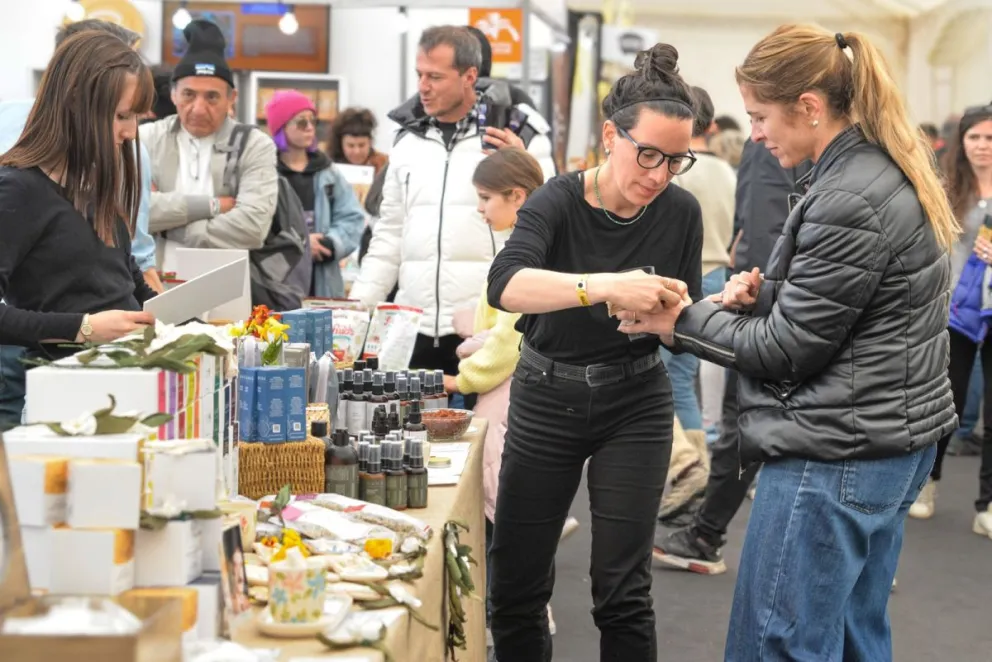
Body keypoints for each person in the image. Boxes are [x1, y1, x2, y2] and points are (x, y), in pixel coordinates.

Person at [617, 26, 959, 659]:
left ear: (809, 106)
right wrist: (769, 295)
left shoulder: (848, 193)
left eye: (760, 116)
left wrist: (680, 321)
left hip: (836, 450)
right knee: (854, 636)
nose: (755, 133)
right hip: (878, 437)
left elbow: (789, 348)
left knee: (778, 642)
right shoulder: (877, 170)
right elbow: (864, 310)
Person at [486, 43, 702, 662]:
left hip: (635, 401)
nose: (659, 175)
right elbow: (505, 285)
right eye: (649, 154)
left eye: (676, 161)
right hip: (545, 397)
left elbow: (681, 322)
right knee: (517, 586)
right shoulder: (556, 200)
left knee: (623, 592)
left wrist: (693, 311)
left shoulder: (680, 212)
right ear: (611, 136)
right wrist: (604, 286)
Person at [350, 25, 555, 378]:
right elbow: (389, 234)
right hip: (411, 327)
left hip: (485, 329)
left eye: (435, 76)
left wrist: (523, 165)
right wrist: (357, 309)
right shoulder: (407, 142)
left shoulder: (517, 134)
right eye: (419, 74)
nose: (423, 86)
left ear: (469, 76)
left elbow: (549, 223)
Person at [654, 138, 811, 571]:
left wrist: (758, 294)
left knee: (740, 415)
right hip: (779, 298)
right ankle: (702, 514)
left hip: (770, 301)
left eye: (759, 116)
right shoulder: (865, 156)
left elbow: (761, 231)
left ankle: (703, 526)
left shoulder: (769, 149)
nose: (758, 131)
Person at [0, 19, 162, 431]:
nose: (130, 133)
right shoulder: (19, 190)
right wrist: (83, 328)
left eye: (135, 117)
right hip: (65, 408)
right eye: (121, 116)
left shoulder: (94, 185)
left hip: (124, 392)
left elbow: (127, 285)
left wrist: (188, 321)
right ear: (76, 103)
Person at [140, 19, 278, 273]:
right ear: (173, 94)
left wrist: (168, 227)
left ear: (231, 98)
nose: (198, 109)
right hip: (155, 280)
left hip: (226, 283)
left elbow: (253, 227)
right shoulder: (147, 139)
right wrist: (213, 205)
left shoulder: (253, 145)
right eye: (189, 95)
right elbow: (130, 211)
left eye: (212, 97)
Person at [910, 102, 992, 530]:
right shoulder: (946, 187)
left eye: (990, 138)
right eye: (974, 137)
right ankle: (928, 482)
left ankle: (988, 506)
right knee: (946, 403)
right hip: (953, 310)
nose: (982, 145)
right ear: (962, 142)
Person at [264, 90, 365, 298]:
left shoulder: (328, 172)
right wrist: (301, 244)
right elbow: (257, 226)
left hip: (323, 280)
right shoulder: (265, 174)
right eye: (302, 122)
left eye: (313, 121)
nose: (310, 128)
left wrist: (330, 244)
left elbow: (352, 217)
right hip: (277, 282)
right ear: (282, 127)